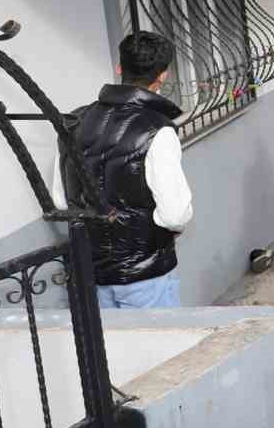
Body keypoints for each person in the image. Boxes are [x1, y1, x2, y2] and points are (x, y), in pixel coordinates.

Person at [53, 32, 193, 308]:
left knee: (108, 350)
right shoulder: (157, 129)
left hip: (91, 274)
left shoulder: (74, 121)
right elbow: (175, 214)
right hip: (145, 275)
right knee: (160, 349)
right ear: (163, 76)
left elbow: (60, 201)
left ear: (119, 68)